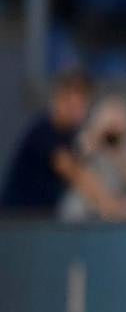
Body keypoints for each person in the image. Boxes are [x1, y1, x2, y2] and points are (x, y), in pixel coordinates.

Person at [1, 69, 92, 216]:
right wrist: (113, 209)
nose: (77, 111)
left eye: (81, 104)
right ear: (58, 99)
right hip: (16, 221)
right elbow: (76, 174)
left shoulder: (72, 135)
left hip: (42, 219)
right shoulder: (43, 130)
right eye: (70, 103)